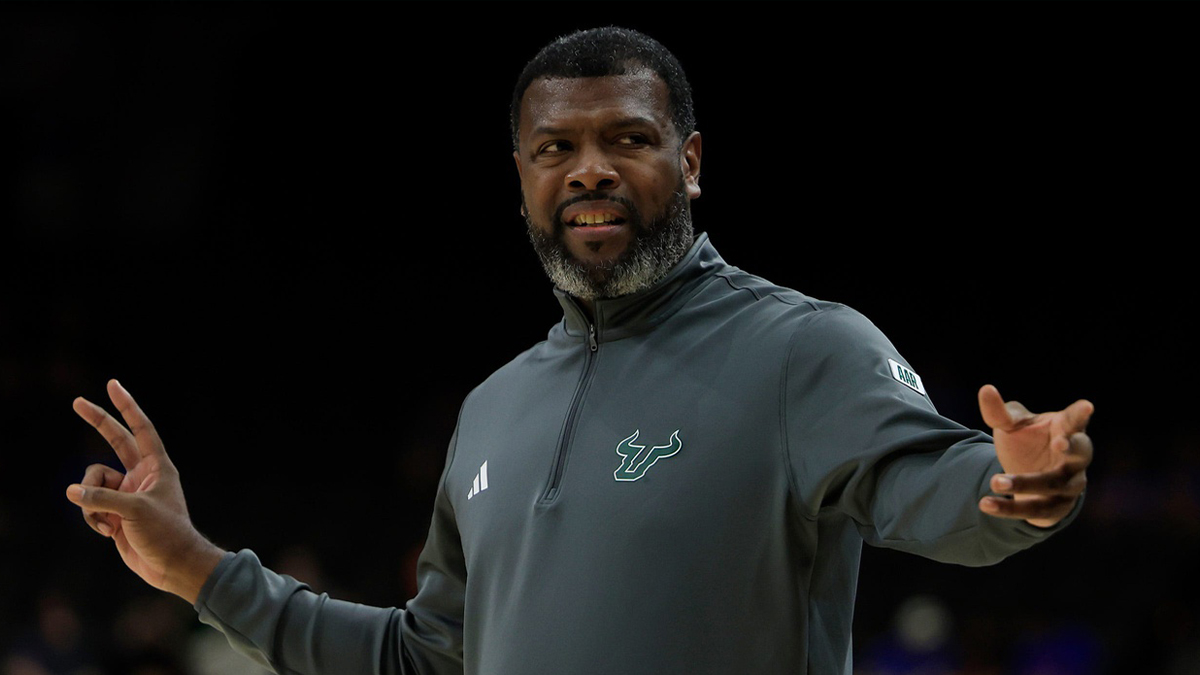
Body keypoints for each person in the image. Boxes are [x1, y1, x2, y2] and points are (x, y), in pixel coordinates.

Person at [65, 27, 1094, 675]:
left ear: (688, 163)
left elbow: (934, 488)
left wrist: (1013, 483)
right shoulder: (492, 408)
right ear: (520, 177)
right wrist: (198, 567)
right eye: (557, 149)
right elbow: (428, 659)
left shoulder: (801, 348)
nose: (591, 170)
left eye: (629, 139)